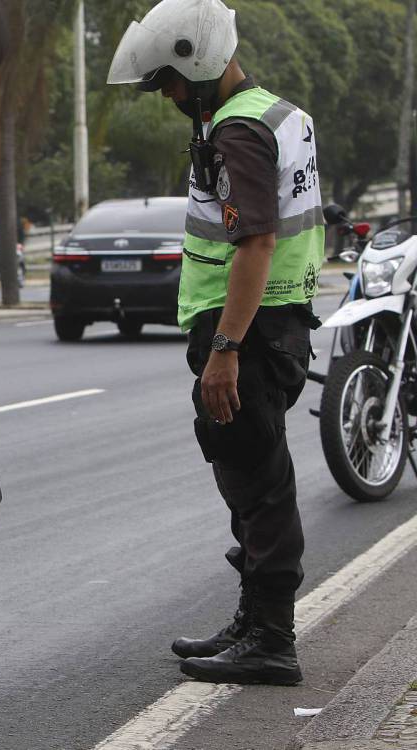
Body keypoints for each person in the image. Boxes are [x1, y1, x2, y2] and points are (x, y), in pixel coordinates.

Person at [108, 0, 323, 685]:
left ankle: (270, 639)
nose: (166, 94)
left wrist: (226, 347)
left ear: (196, 62)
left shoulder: (236, 131)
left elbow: (256, 241)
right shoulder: (277, 112)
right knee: (250, 478)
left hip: (249, 331)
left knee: (259, 486)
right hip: (274, 323)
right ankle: (253, 622)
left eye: (168, 80)